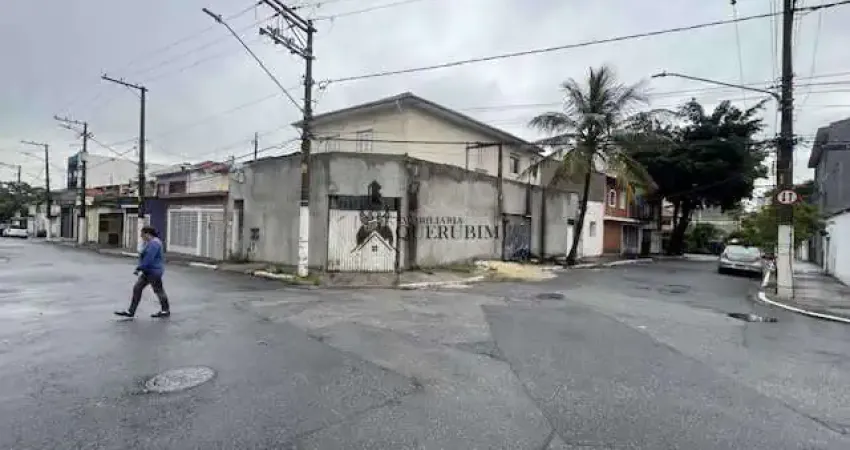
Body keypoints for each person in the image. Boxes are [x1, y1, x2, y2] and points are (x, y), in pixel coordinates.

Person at [115, 226, 171, 318]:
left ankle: (165, 310)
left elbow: (148, 258)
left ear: (147, 234)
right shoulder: (151, 242)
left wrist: (139, 268)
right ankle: (131, 311)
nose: (141, 236)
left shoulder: (154, 243)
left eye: (142, 234)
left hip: (153, 271)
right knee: (137, 288)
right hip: (148, 271)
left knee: (158, 290)